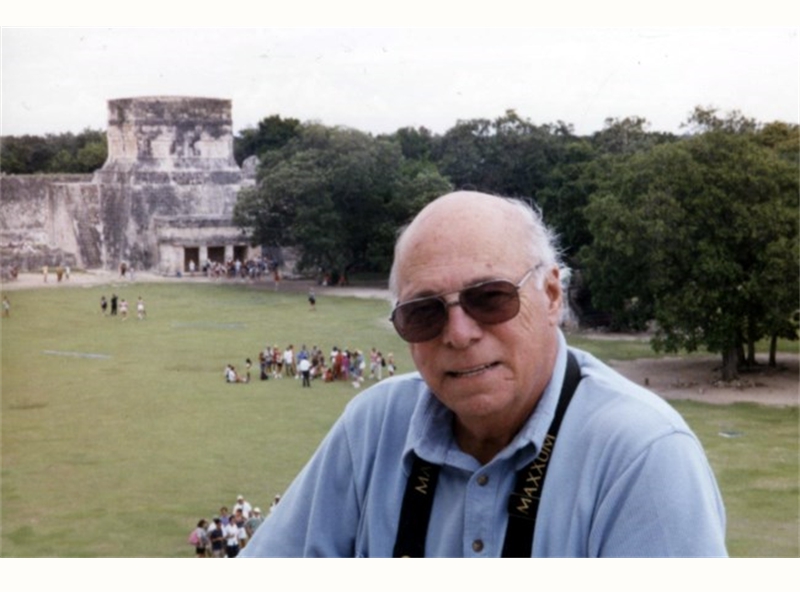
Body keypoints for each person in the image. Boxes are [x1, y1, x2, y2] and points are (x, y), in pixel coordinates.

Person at [240, 191, 728, 558]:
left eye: (490, 298)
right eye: (424, 312)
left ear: (551, 296)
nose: (458, 334)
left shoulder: (640, 453)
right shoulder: (374, 427)